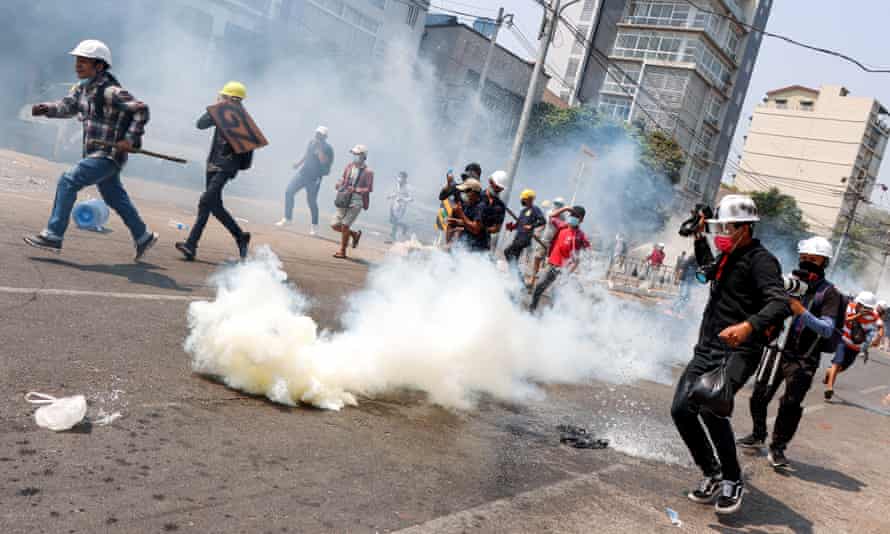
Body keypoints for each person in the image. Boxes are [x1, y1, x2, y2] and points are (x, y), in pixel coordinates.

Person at [671, 195, 789, 515]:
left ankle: (732, 480)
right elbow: (706, 270)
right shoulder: (727, 256)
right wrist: (698, 237)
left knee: (712, 407)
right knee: (681, 410)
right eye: (718, 226)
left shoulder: (761, 261)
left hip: (739, 350)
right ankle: (712, 472)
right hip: (707, 347)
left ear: (744, 228)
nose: (720, 232)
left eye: (725, 226)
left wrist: (748, 326)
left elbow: (780, 303)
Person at [24, 39, 158, 260]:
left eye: (84, 61)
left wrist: (130, 139)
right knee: (115, 197)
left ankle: (54, 235)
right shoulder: (82, 89)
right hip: (96, 154)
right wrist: (46, 108)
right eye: (78, 60)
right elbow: (67, 107)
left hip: (108, 155)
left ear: (99, 66)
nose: (78, 65)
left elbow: (141, 110)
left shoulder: (111, 91)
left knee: (68, 180)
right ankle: (143, 236)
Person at [737, 236, 840, 468]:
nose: (806, 262)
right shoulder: (789, 283)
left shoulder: (830, 293)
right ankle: (758, 434)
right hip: (777, 349)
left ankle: (778, 448)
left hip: (804, 358)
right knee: (759, 395)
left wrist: (800, 310)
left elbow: (827, 329)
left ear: (824, 262)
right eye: (803, 258)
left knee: (791, 404)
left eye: (813, 259)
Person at [175, 82, 253, 261]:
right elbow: (200, 124)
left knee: (205, 201)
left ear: (231, 98)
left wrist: (235, 168)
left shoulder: (242, 119)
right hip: (213, 163)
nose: (220, 98)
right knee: (213, 206)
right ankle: (240, 237)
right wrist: (216, 109)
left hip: (226, 166)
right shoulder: (221, 113)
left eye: (223, 96)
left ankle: (191, 245)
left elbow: (247, 148)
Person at [529, 205, 590, 311]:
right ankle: (532, 310)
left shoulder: (580, 236)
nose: (573, 217)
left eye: (576, 216)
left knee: (556, 295)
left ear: (581, 220)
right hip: (552, 265)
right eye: (572, 214)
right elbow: (551, 216)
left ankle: (553, 318)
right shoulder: (562, 226)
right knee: (539, 287)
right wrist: (565, 208)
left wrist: (569, 272)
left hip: (563, 270)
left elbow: (585, 254)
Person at [824, 291, 882, 400]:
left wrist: (878, 337)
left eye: (870, 308)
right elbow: (844, 320)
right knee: (837, 362)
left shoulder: (873, 316)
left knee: (841, 368)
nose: (868, 310)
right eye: (866, 307)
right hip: (843, 341)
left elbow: (880, 326)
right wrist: (858, 315)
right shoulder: (849, 307)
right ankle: (829, 388)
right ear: (859, 304)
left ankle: (829, 372)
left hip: (855, 347)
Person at [277, 125, 334, 235]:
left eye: (320, 135)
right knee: (289, 191)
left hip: (314, 178)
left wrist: (319, 151)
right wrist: (298, 164)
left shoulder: (328, 149)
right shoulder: (311, 143)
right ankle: (287, 219)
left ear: (325, 137)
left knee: (311, 201)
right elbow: (306, 155)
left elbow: (324, 162)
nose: (317, 136)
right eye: (317, 134)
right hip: (303, 173)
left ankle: (314, 226)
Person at [331, 144, 374, 259]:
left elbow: (369, 189)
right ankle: (354, 234)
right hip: (344, 198)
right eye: (354, 154)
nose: (355, 156)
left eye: (357, 154)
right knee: (335, 225)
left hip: (357, 200)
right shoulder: (349, 167)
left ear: (363, 156)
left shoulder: (368, 172)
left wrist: (355, 189)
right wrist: (339, 184)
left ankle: (342, 251)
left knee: (345, 225)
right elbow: (343, 179)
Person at [504, 189, 546, 280]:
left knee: (507, 251)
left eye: (524, 199)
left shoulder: (535, 209)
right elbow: (519, 223)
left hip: (525, 238)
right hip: (518, 237)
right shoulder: (523, 211)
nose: (522, 200)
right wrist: (511, 227)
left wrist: (531, 226)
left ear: (530, 199)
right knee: (514, 258)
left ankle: (517, 276)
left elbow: (543, 221)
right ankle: (517, 279)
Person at [438, 163, 482, 244]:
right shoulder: (458, 187)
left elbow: (477, 225)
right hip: (454, 227)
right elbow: (442, 196)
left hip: (469, 231)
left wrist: (461, 220)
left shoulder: (480, 195)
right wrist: (448, 185)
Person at [529, 197, 566, 288]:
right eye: (556, 204)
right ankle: (532, 280)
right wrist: (537, 232)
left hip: (554, 244)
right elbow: (547, 220)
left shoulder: (563, 217)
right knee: (537, 258)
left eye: (560, 205)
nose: (557, 206)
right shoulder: (550, 212)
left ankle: (540, 283)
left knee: (550, 264)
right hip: (544, 240)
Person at [447, 178, 489, 253]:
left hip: (476, 251)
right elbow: (469, 222)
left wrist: (460, 214)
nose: (463, 193)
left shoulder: (481, 207)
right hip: (466, 246)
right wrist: (457, 222)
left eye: (466, 191)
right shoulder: (469, 204)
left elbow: (475, 229)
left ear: (473, 192)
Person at [386, 171, 412, 243]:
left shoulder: (408, 187)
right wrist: (390, 196)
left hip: (401, 207)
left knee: (395, 221)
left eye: (401, 177)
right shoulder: (397, 184)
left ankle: (393, 236)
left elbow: (411, 199)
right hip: (394, 204)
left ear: (405, 178)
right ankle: (405, 226)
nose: (399, 178)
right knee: (391, 220)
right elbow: (396, 193)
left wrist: (403, 199)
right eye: (398, 176)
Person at [481, 170, 507, 237]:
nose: (497, 190)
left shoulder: (500, 206)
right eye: (496, 186)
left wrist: (482, 230)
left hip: (483, 241)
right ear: (490, 181)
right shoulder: (477, 196)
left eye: (500, 188)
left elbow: (497, 228)